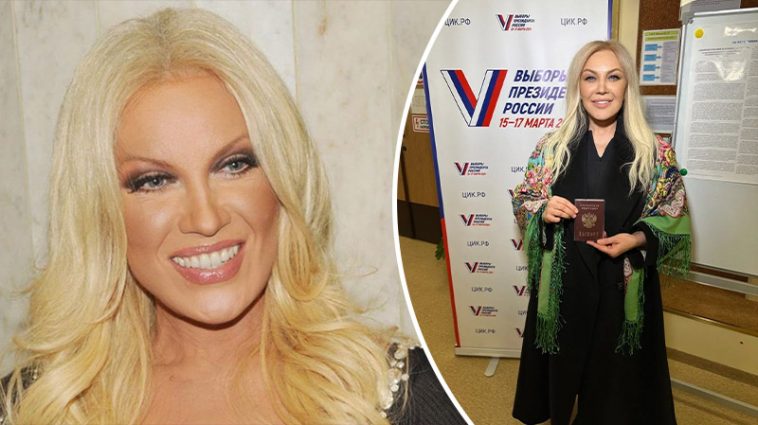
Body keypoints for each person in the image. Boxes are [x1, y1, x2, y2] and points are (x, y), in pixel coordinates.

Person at [0, 8, 466, 425]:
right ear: (98, 211)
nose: (205, 219)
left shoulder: (401, 393)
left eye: (234, 165)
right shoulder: (34, 405)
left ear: (282, 180)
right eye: (154, 180)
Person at [510, 40, 691, 425]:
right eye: (590, 78)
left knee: (615, 387)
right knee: (564, 371)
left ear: (628, 86)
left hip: (622, 283)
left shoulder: (655, 152)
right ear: (579, 86)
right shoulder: (551, 148)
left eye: (614, 77)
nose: (602, 89)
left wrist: (637, 239)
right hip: (565, 283)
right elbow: (524, 199)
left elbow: (673, 214)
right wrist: (543, 210)